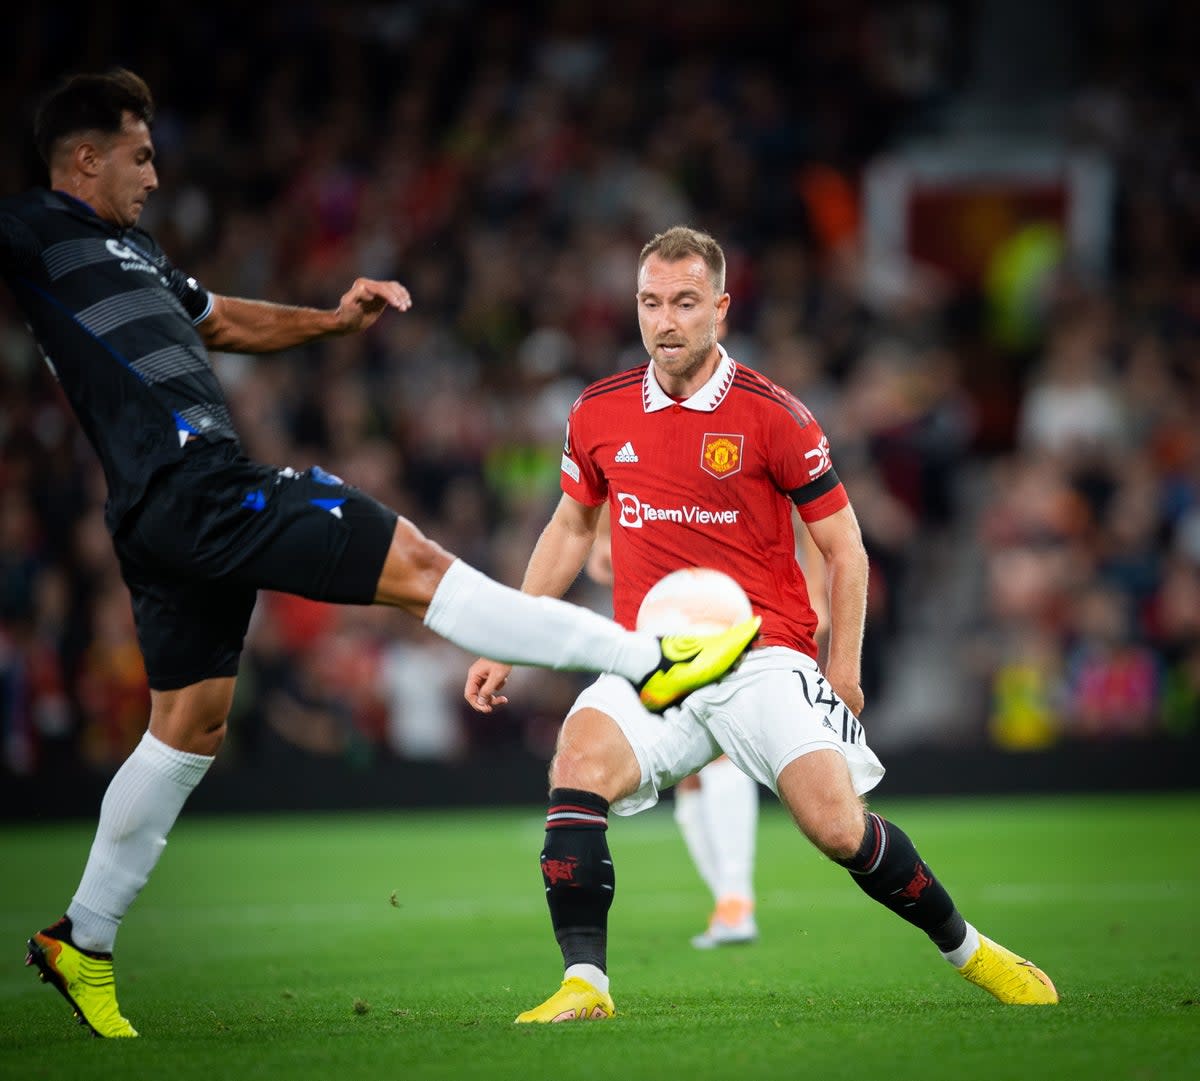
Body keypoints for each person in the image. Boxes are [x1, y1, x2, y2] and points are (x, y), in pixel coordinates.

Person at [1, 69, 759, 1039]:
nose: (154, 173)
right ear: (84, 157)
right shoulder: (30, 226)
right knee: (419, 568)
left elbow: (222, 319)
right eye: (139, 155)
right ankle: (650, 659)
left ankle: (84, 939)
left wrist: (330, 320)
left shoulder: (136, 252)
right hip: (199, 486)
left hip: (162, 519)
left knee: (189, 722)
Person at [464, 225, 1058, 1022]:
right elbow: (572, 528)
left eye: (683, 302)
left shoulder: (773, 415)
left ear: (721, 308)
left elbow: (845, 547)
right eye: (650, 302)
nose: (665, 320)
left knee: (837, 827)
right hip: (653, 660)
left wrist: (841, 668)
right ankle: (586, 985)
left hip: (762, 655)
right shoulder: (597, 411)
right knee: (576, 762)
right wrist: (507, 640)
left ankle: (974, 951)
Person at [587, 503, 760, 949]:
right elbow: (608, 485)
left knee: (715, 747)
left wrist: (815, 585)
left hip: (718, 590)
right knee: (691, 775)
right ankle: (730, 904)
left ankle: (736, 903)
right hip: (662, 599)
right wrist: (608, 536)